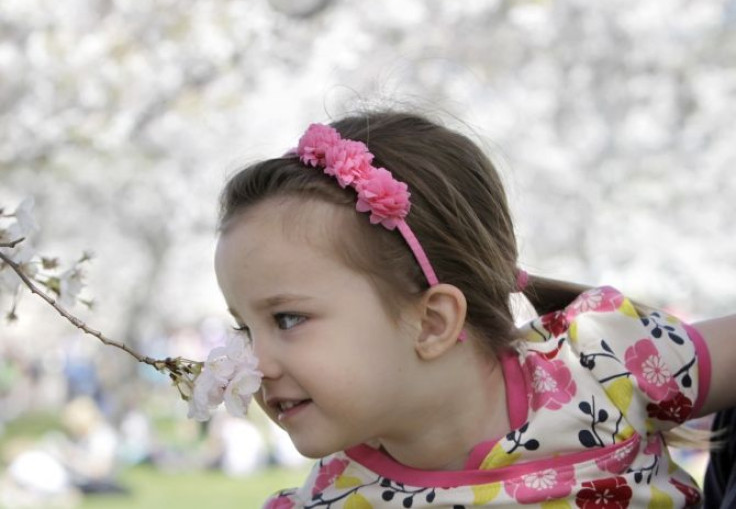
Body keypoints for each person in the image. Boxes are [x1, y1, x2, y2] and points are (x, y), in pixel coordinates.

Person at [213, 111, 735, 508]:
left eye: (287, 319)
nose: (256, 365)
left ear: (433, 321)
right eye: (244, 327)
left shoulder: (602, 362)